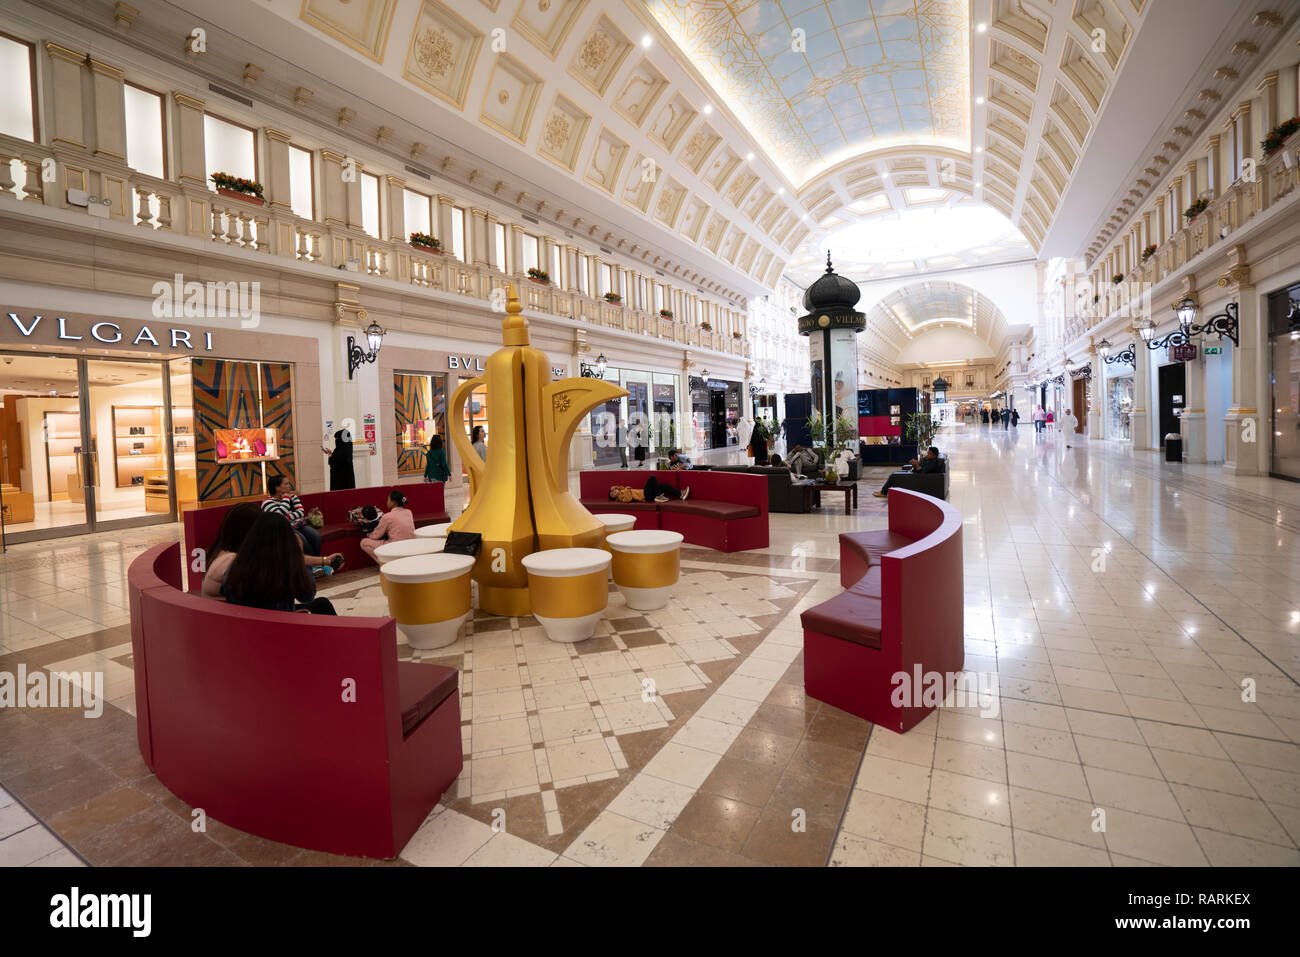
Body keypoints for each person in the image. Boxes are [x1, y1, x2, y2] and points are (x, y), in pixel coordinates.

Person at [203, 502, 342, 598]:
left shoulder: (224, 556)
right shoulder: (237, 564)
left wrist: (325, 561)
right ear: (248, 530)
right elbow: (306, 594)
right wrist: (297, 555)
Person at [221, 512, 337, 614]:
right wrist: (300, 558)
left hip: (246, 627)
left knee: (321, 604)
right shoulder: (280, 569)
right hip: (277, 630)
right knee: (322, 604)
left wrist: (292, 611)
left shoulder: (236, 565)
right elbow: (307, 595)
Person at [263, 475, 321, 556]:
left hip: (298, 525)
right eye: (286, 484)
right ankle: (308, 566)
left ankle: (316, 562)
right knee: (302, 540)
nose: (289, 486)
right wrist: (286, 498)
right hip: (281, 529)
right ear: (277, 487)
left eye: (289, 483)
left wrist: (285, 517)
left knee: (316, 536)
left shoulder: (293, 497)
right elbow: (278, 518)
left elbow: (301, 513)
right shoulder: (267, 502)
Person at [359, 488, 415, 560]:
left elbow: (375, 536)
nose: (387, 502)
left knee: (363, 542)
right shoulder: (408, 512)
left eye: (388, 500)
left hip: (395, 547)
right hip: (411, 545)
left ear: (393, 502)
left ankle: (385, 562)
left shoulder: (387, 517)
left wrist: (368, 534)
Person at [873, 446, 942, 498]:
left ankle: (883, 492)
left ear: (934, 455)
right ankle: (884, 491)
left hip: (918, 477)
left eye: (929, 454)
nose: (927, 455)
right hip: (915, 473)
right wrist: (915, 463)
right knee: (896, 474)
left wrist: (917, 464)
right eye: (928, 453)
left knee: (893, 476)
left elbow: (922, 472)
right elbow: (920, 467)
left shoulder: (933, 463)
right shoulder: (928, 459)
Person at [609, 475, 690, 503]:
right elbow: (628, 499)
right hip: (646, 496)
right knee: (652, 478)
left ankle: (680, 495)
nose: (614, 492)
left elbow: (622, 488)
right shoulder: (621, 497)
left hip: (647, 493)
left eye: (613, 491)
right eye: (613, 494)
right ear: (615, 498)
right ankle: (658, 496)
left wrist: (616, 487)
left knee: (664, 486)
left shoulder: (622, 490)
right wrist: (626, 489)